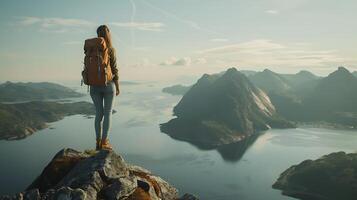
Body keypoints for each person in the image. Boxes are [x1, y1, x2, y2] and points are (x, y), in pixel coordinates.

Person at [90, 25, 120, 150]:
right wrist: (117, 86)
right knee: (107, 114)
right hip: (108, 85)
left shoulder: (91, 49)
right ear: (108, 34)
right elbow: (115, 70)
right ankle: (104, 142)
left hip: (94, 86)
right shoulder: (111, 49)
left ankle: (97, 142)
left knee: (98, 114)